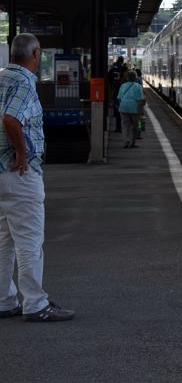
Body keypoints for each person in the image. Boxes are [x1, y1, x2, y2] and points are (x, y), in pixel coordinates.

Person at [0, 33, 74, 322]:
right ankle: (35, 304)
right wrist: (20, 152)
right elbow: (10, 118)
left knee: (4, 241)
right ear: (36, 53)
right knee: (29, 241)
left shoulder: (2, 77)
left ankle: (5, 301)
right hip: (19, 174)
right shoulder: (24, 83)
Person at [116, 71, 145, 148]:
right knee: (134, 126)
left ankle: (126, 141)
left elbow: (119, 98)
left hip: (123, 107)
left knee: (125, 125)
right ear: (135, 78)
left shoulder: (123, 86)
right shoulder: (138, 86)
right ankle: (132, 143)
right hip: (134, 108)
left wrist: (121, 106)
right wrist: (141, 111)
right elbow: (140, 100)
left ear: (127, 78)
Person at [106, 56, 126, 133]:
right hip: (120, 88)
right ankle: (120, 127)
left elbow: (109, 76)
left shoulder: (113, 67)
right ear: (122, 61)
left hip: (113, 88)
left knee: (115, 103)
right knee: (119, 106)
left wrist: (111, 84)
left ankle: (115, 112)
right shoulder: (123, 67)